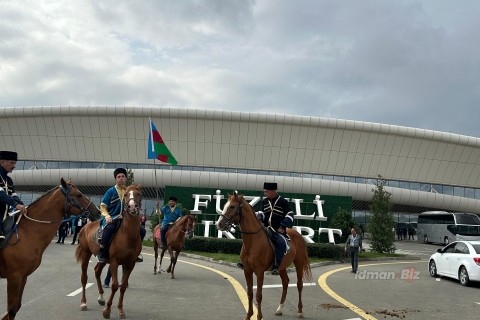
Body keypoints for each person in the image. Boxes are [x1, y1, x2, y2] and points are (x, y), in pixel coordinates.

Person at [238, 182, 294, 276]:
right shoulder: (264, 201)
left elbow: (290, 214)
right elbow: (262, 213)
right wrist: (259, 218)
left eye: (266, 191)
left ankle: (276, 265)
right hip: (265, 228)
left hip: (278, 230)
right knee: (251, 239)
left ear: (273, 191)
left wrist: (283, 226)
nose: (265, 193)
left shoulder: (282, 201)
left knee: (280, 242)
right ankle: (246, 262)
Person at [97, 168, 129, 263]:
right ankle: (101, 251)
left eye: (123, 176)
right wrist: (107, 217)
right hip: (112, 218)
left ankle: (135, 252)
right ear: (116, 179)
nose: (121, 178)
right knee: (110, 228)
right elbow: (103, 206)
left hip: (125, 219)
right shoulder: (110, 191)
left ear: (126, 178)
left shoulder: (128, 191)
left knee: (141, 231)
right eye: (118, 177)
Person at [0, 151, 27, 240]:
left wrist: (23, 206)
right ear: (2, 162)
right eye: (12, 162)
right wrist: (16, 205)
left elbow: (14, 196)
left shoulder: (9, 180)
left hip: (4, 214)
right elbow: (1, 194)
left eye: (15, 163)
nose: (14, 166)